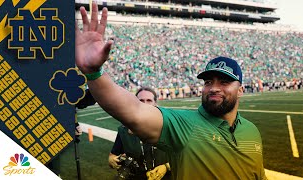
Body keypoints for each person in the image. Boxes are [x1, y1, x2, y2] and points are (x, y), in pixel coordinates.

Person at [75, 3, 266, 179]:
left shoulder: (251, 131)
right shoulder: (184, 125)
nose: (214, 88)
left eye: (224, 82)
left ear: (241, 90)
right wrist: (94, 73)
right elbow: (135, 112)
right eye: (208, 81)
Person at [108, 87, 171, 180]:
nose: (145, 104)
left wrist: (166, 167)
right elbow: (113, 154)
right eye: (141, 100)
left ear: (155, 104)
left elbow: (184, 157)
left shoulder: (168, 127)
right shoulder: (124, 129)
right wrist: (111, 160)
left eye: (149, 100)